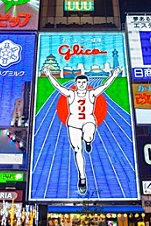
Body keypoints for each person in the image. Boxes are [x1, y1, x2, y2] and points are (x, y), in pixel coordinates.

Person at [44, 66, 122, 194]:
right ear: (76, 84)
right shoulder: (71, 94)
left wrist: (113, 75)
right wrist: (48, 75)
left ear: (87, 83)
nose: (81, 84)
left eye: (84, 82)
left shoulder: (92, 94)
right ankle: (82, 177)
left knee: (88, 136)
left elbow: (105, 86)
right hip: (73, 124)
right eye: (79, 82)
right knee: (77, 150)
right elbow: (58, 86)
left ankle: (88, 141)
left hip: (88, 121)